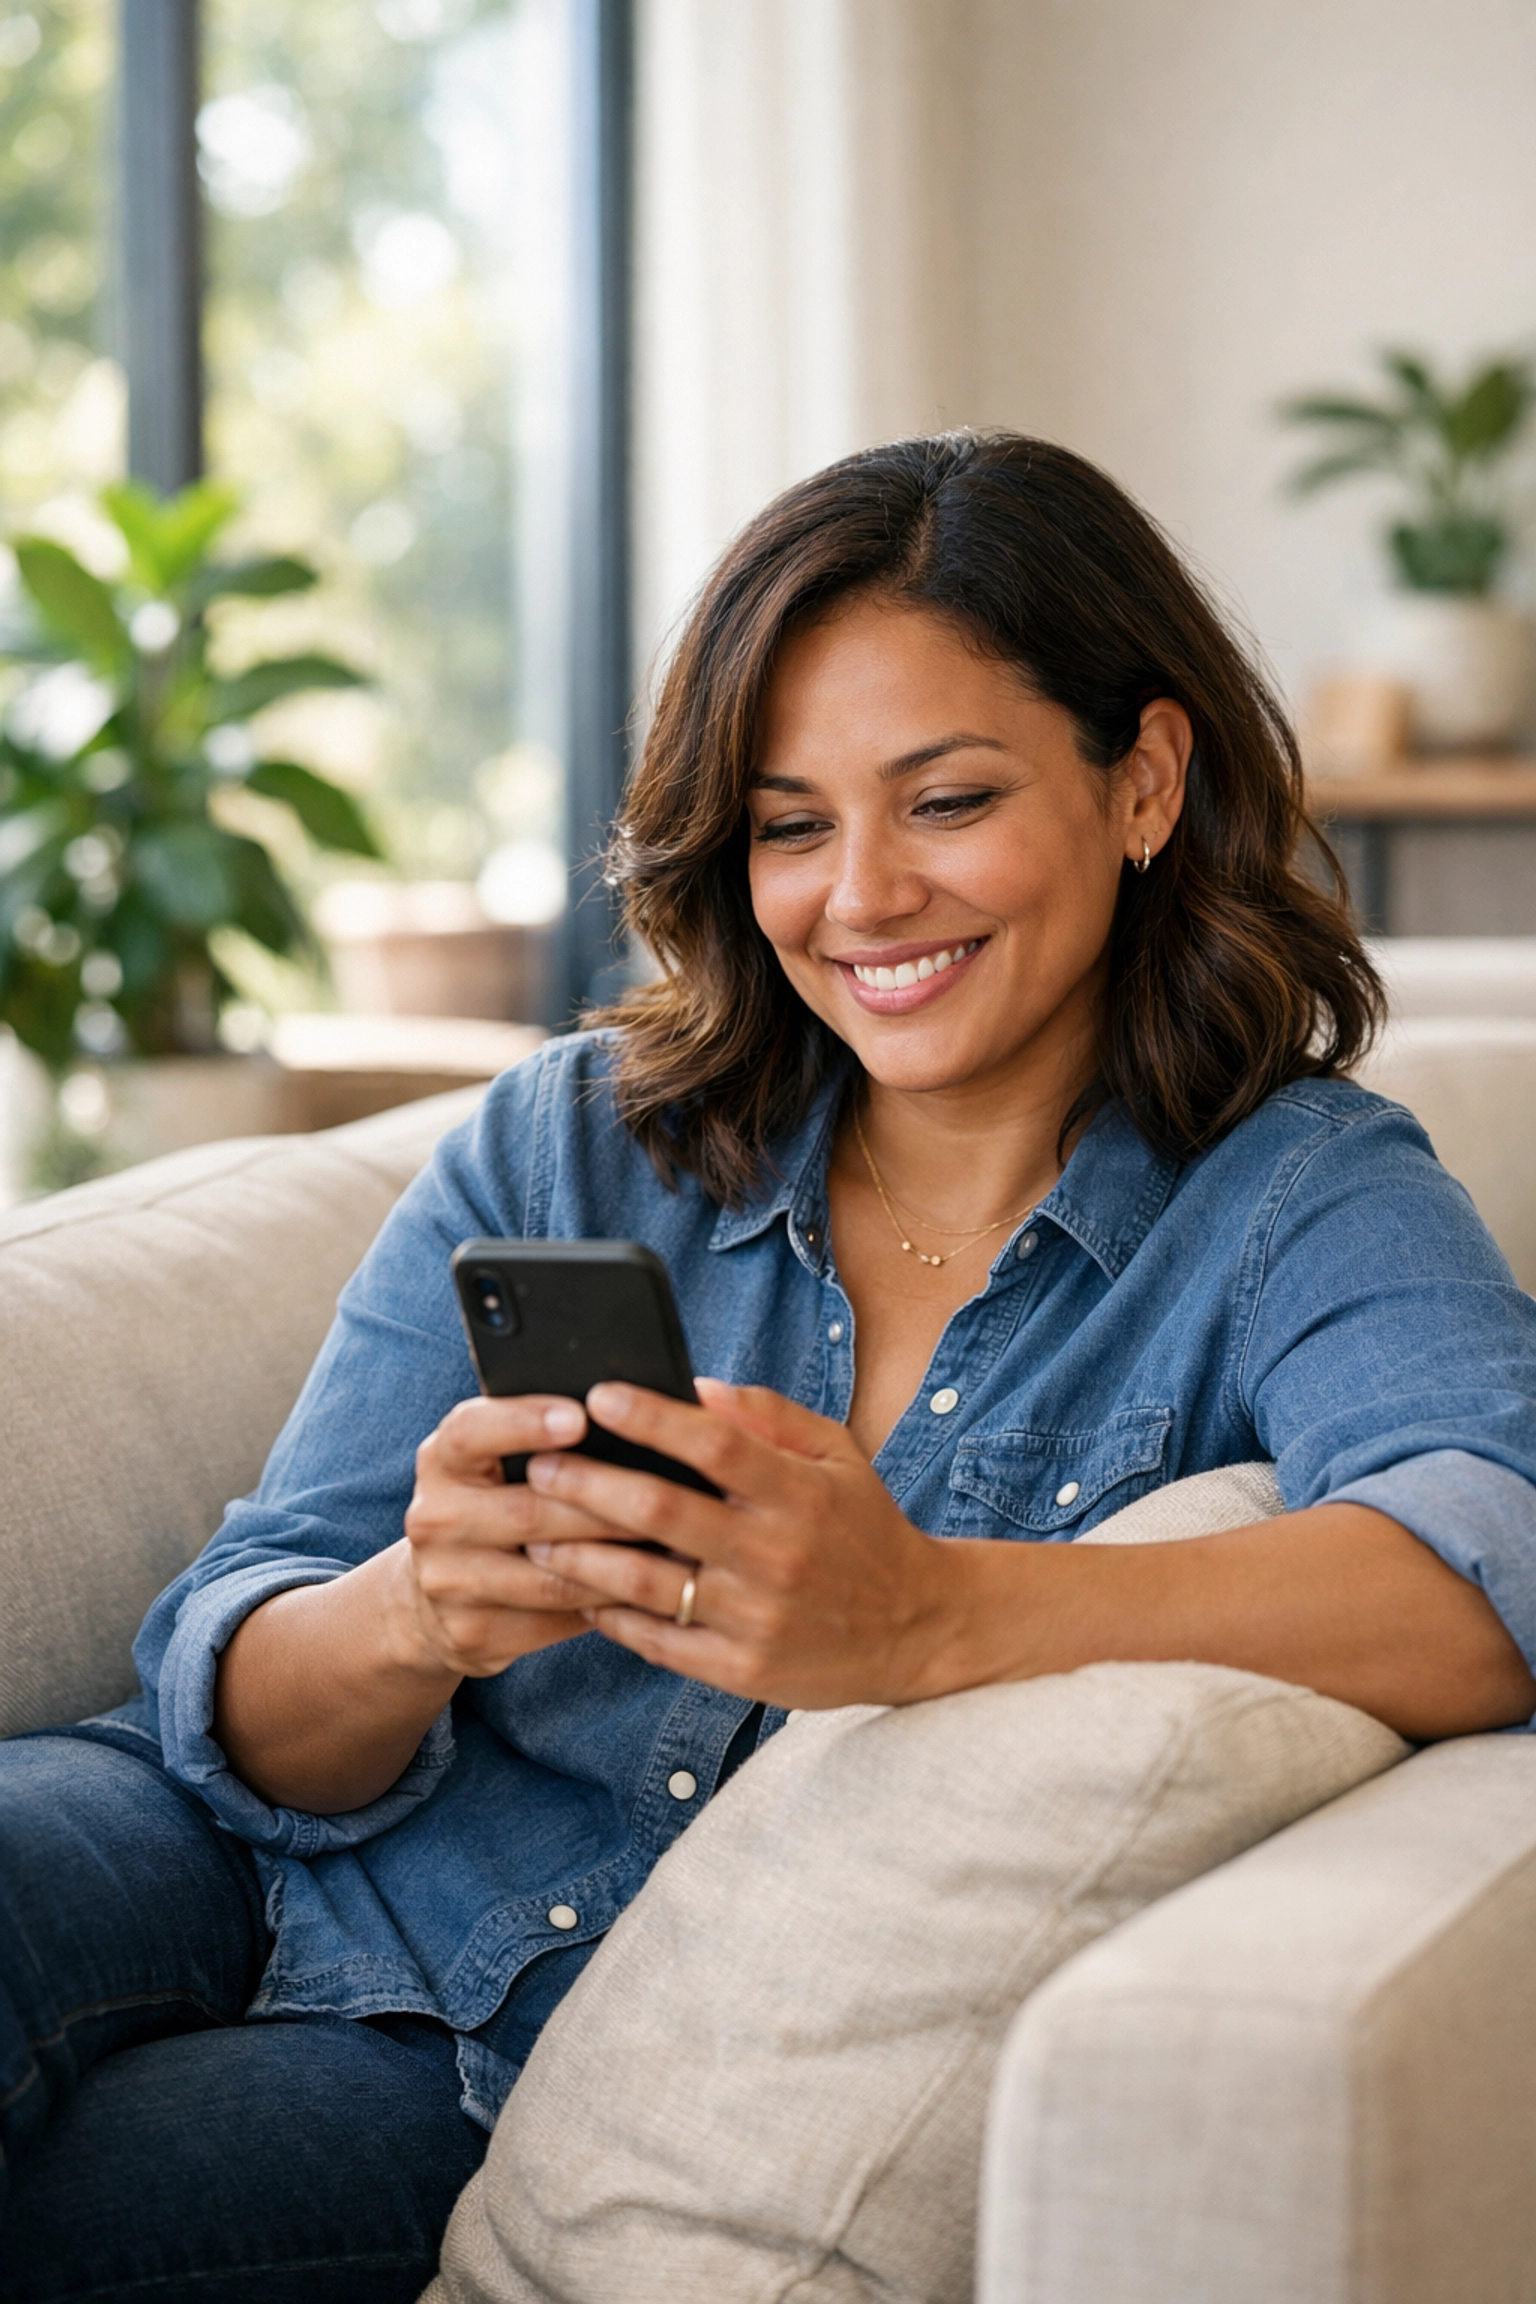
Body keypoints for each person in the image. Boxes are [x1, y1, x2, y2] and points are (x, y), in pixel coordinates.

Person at [3, 432, 1534, 2303]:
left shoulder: (1296, 1198)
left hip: (503, 2080)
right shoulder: (579, 1138)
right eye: (790, 825)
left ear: (1144, 779)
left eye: (947, 800)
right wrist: (418, 1613)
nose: (861, 897)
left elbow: (1500, 1559)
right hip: (202, 1850)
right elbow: (233, 1694)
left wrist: (932, 1617)